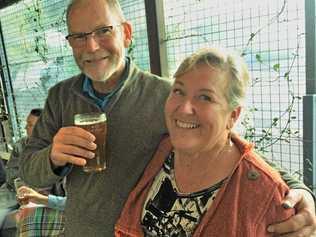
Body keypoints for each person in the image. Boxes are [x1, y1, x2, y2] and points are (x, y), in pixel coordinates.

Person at [19, 0, 316, 236]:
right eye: (80, 36)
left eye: (103, 31)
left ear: (126, 33)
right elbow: (27, 170)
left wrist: (301, 191)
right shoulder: (61, 96)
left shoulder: (168, 97)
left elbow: (232, 147)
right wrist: (53, 159)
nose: (92, 47)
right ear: (70, 42)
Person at [114, 47, 297, 236]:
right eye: (178, 91)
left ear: (233, 115)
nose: (185, 108)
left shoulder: (265, 195)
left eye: (205, 97)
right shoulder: (161, 149)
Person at [5, 108, 42, 190]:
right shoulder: (20, 145)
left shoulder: (57, 146)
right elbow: (12, 175)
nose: (25, 127)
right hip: (25, 192)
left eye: (30, 125)